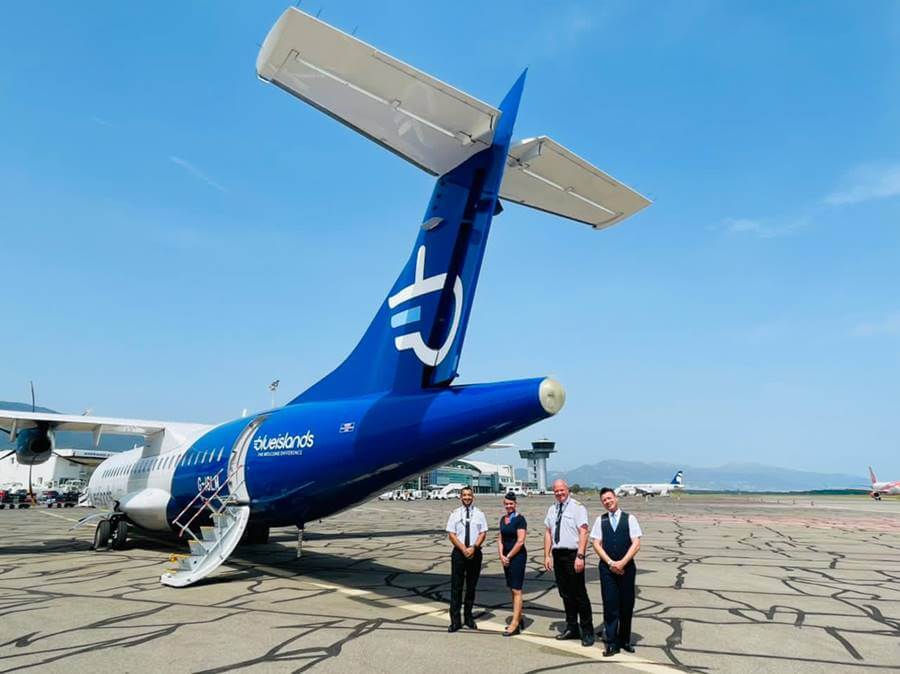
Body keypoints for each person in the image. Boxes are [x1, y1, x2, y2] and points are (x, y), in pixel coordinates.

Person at [590, 487, 642, 657]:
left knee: (627, 605)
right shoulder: (601, 520)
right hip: (607, 569)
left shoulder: (630, 519)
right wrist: (611, 563)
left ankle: (624, 640)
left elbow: (636, 543)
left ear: (616, 498)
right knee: (610, 605)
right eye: (604, 500)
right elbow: (596, 543)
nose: (608, 502)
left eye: (610, 498)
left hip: (627, 568)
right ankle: (611, 642)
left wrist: (622, 563)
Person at [543, 479, 595, 647]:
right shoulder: (552, 509)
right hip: (558, 554)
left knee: (579, 593)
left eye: (561, 490)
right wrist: (547, 555)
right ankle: (572, 627)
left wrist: (580, 556)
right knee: (565, 593)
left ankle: (587, 630)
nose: (559, 493)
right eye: (556, 491)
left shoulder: (577, 508)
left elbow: (584, 532)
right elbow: (548, 533)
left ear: (568, 490)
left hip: (573, 554)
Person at [445, 486, 488, 632]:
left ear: (473, 496)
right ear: (460, 497)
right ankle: (455, 621)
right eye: (464, 495)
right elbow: (451, 534)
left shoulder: (480, 514)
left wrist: (473, 547)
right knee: (456, 587)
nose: (467, 497)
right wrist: (463, 548)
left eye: (469, 495)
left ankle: (468, 617)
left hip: (475, 552)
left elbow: (483, 533)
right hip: (459, 553)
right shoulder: (454, 514)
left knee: (471, 587)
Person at [497, 491, 527, 636]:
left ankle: (515, 624)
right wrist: (501, 555)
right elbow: (500, 538)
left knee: (517, 589)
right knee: (511, 588)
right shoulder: (503, 519)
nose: (509, 506)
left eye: (511, 504)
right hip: (506, 557)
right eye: (506, 504)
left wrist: (508, 556)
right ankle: (518, 616)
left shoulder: (520, 519)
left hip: (517, 557)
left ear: (515, 504)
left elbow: (520, 541)